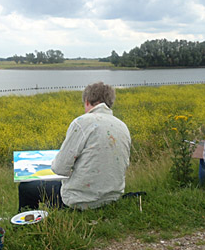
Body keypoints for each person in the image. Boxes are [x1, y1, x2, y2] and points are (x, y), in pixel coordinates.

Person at [18, 82, 131, 210]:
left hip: (81, 201)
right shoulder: (122, 126)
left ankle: (28, 224)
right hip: (112, 198)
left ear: (87, 101)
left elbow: (59, 169)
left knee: (25, 188)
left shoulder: (82, 123)